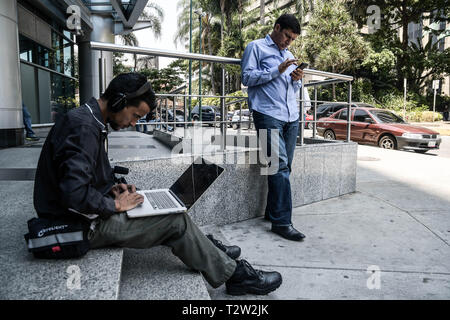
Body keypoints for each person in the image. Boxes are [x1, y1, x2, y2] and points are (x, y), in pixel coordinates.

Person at [33, 72, 282, 296]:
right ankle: (235, 276)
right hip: (78, 224)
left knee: (163, 207)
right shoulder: (84, 127)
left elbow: (86, 174)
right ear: (120, 101)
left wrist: (113, 187)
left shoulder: (91, 121)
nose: (134, 123)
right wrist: (116, 205)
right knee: (175, 221)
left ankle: (207, 248)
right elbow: (73, 194)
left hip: (84, 214)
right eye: (135, 116)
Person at [241, 14, 306, 241]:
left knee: (284, 167)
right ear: (277, 27)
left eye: (293, 39)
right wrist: (276, 70)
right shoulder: (255, 48)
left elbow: (290, 89)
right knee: (279, 167)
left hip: (291, 117)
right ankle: (282, 222)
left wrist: (296, 79)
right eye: (287, 36)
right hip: (267, 114)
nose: (289, 42)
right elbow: (247, 78)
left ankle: (272, 212)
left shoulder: (289, 55)